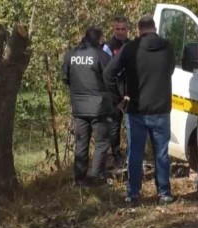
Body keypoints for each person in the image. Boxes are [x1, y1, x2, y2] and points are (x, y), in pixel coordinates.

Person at [104, 15, 176, 207]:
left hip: (136, 110)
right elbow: (169, 71)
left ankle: (133, 195)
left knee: (135, 154)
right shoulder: (167, 47)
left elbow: (108, 74)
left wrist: (119, 99)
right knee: (161, 153)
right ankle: (164, 193)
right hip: (161, 108)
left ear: (138, 30)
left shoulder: (130, 48)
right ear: (155, 28)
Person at [62, 26, 114, 187]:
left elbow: (65, 78)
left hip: (79, 107)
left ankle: (79, 179)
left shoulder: (70, 55)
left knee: (81, 143)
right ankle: (96, 176)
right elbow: (110, 80)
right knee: (101, 143)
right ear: (99, 39)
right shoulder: (102, 56)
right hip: (100, 107)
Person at [102, 16, 131, 169]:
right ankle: (116, 155)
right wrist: (116, 96)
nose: (120, 31)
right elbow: (107, 72)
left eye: (123, 29)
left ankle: (131, 155)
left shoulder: (132, 45)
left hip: (130, 91)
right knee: (114, 126)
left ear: (127, 30)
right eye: (117, 29)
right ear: (113, 29)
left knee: (132, 125)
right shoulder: (108, 47)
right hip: (114, 93)